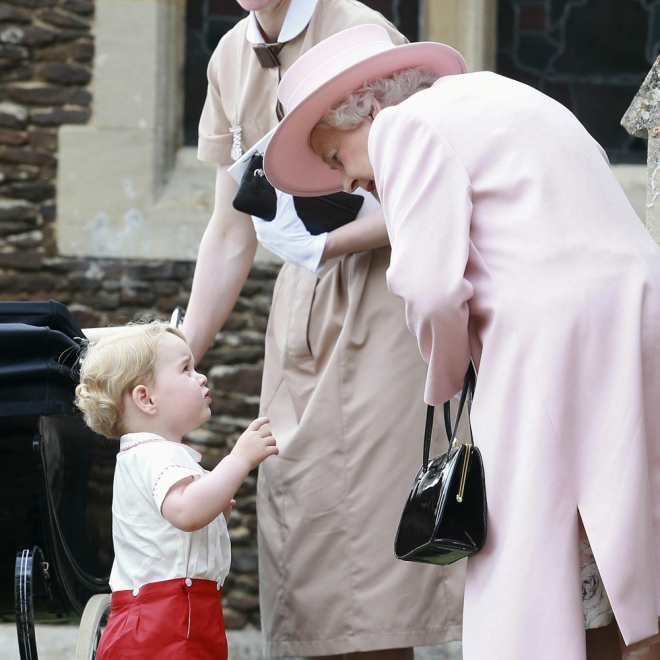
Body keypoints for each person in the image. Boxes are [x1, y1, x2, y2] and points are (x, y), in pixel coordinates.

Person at [263, 23, 660, 660]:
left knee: (532, 551)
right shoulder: (512, 95)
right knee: (628, 530)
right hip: (640, 313)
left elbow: (430, 286)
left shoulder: (403, 127)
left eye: (335, 157)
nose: (345, 182)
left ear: (366, 106)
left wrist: (447, 378)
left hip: (548, 342)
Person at [184, 2, 465, 659]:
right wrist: (177, 353)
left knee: (371, 562)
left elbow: (429, 188)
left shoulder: (360, 33)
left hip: (381, 307)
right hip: (298, 324)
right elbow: (231, 231)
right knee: (307, 539)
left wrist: (326, 242)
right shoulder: (230, 55)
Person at [74, 322, 278, 660]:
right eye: (186, 369)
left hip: (181, 616)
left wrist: (215, 512)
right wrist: (239, 460)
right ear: (146, 398)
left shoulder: (152, 456)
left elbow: (181, 529)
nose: (201, 378)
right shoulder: (157, 454)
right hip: (158, 627)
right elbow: (186, 512)